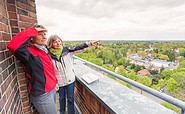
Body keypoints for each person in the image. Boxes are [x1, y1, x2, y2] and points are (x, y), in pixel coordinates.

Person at [7, 25, 59, 114]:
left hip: (52, 89)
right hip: (42, 94)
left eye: (45, 34)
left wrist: (55, 82)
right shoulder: (28, 52)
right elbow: (12, 46)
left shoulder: (44, 49)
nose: (44, 37)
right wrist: (33, 30)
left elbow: (49, 69)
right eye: (40, 34)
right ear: (32, 37)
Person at [47, 34, 100, 114]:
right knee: (61, 98)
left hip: (70, 79)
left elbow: (78, 48)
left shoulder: (66, 50)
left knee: (71, 99)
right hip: (59, 82)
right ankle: (62, 112)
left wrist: (90, 43)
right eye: (55, 42)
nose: (58, 43)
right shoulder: (48, 55)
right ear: (51, 44)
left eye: (59, 41)